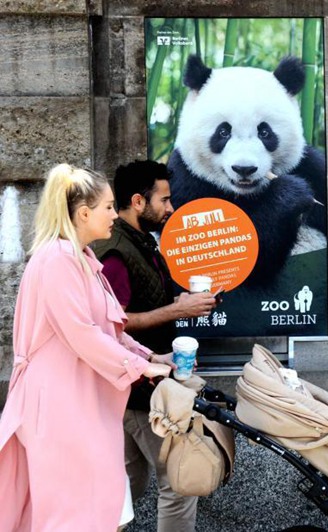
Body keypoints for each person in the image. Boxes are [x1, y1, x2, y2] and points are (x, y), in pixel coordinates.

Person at [0, 163, 173, 531]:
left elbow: (109, 329)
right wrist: (142, 367)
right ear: (83, 213)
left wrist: (151, 357)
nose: (115, 214)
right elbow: (83, 334)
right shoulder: (57, 261)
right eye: (109, 207)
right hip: (61, 410)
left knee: (101, 511)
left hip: (79, 406)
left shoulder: (81, 259)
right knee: (77, 516)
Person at [93, 159, 217, 532]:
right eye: (164, 200)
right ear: (138, 201)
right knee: (179, 483)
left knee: (127, 484)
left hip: (137, 387)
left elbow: (143, 303)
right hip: (139, 393)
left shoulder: (139, 243)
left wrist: (185, 304)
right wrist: (176, 310)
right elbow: (116, 322)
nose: (171, 208)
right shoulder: (115, 253)